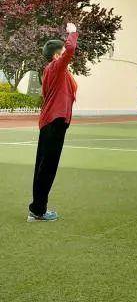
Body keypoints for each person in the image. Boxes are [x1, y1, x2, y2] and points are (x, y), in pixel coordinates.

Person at [28, 22, 78, 222]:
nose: (66, 55)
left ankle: (37, 208)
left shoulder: (56, 71)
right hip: (54, 122)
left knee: (44, 167)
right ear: (57, 55)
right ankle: (38, 211)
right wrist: (72, 32)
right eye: (62, 52)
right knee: (47, 168)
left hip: (53, 122)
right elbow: (71, 48)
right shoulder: (56, 67)